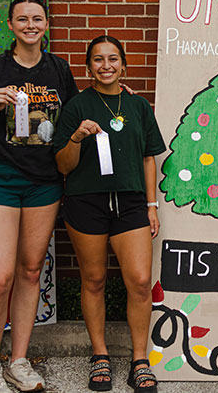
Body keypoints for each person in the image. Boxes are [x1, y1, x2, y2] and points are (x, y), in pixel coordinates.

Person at [0, 0, 79, 393]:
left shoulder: (59, 70)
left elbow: (79, 114)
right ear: (10, 25)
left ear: (46, 25)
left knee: (30, 270)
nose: (30, 24)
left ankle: (19, 361)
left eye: (37, 18)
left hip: (44, 182)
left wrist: (120, 101)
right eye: (22, 18)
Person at [54, 36, 164, 393]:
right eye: (98, 60)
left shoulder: (138, 106)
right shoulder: (76, 106)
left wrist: (151, 206)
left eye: (113, 59)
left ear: (123, 65)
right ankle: (99, 354)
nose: (106, 66)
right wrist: (75, 138)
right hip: (86, 202)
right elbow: (63, 166)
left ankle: (139, 358)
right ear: (88, 68)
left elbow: (149, 157)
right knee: (94, 279)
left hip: (130, 204)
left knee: (139, 281)